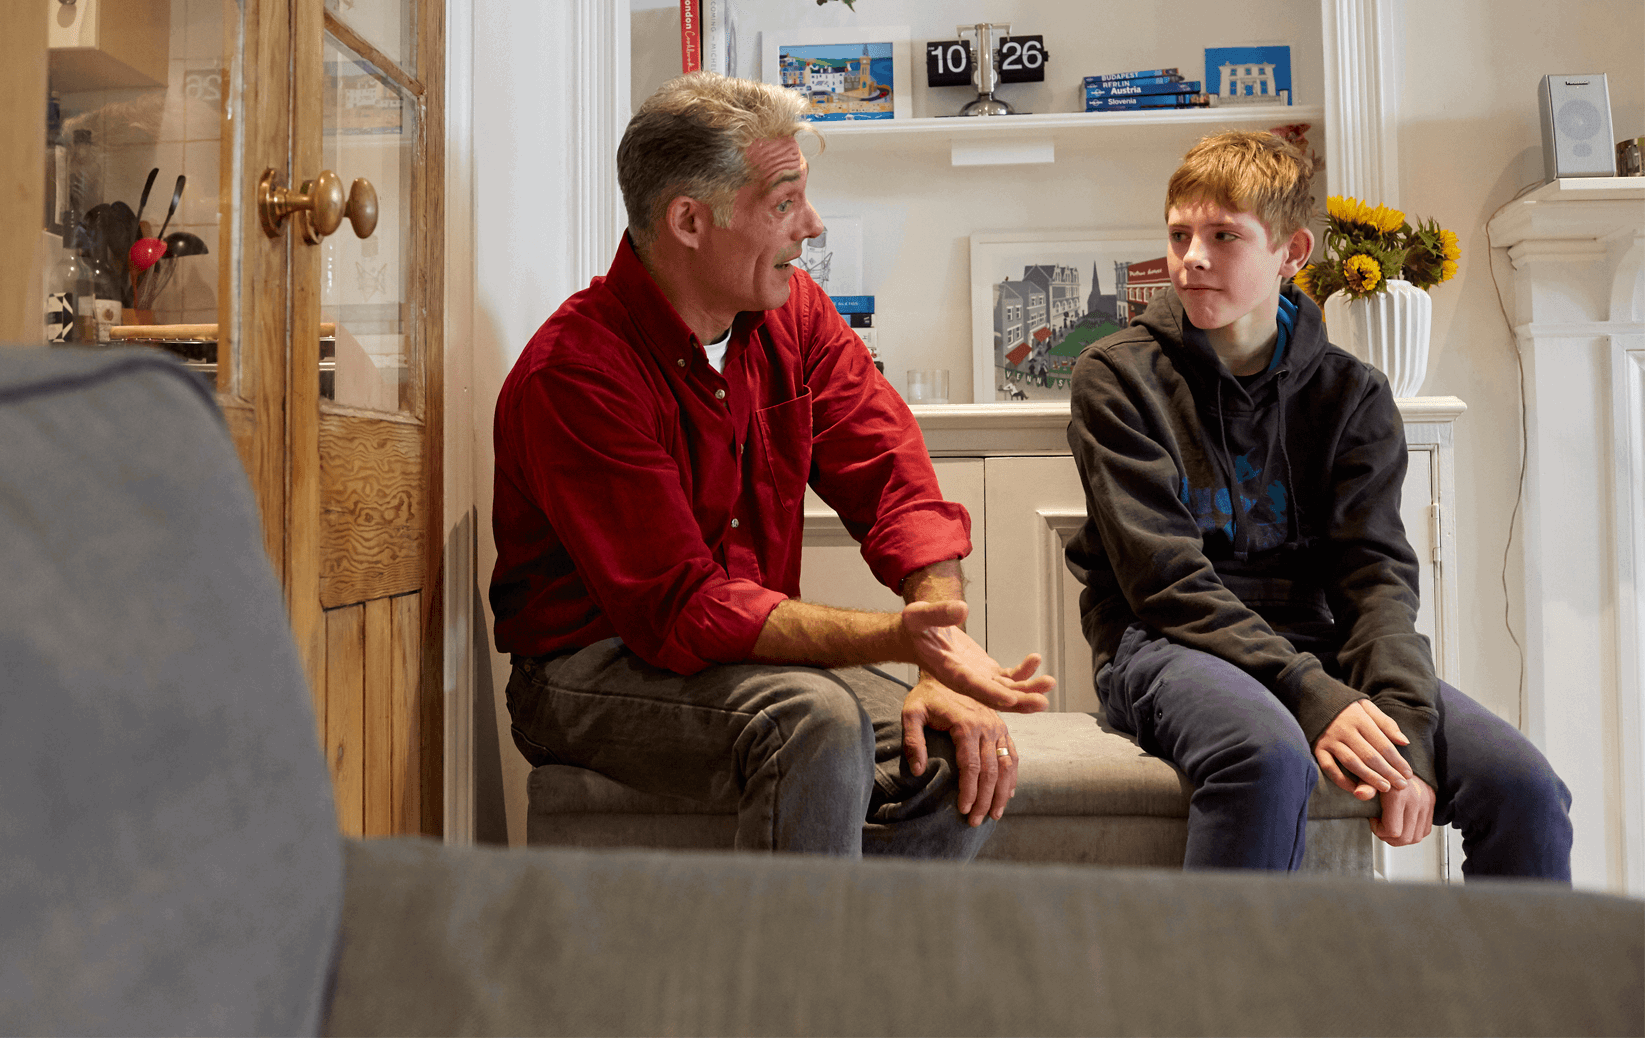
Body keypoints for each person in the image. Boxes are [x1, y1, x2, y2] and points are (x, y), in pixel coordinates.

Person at [490, 72, 1054, 858]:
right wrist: (901, 639)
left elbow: (894, 476)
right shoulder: (576, 374)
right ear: (688, 220)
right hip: (587, 666)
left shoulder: (796, 316)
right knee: (814, 722)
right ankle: (793, 976)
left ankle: (841, 966)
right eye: (784, 201)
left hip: (730, 649)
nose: (812, 226)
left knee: (958, 749)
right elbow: (683, 610)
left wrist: (940, 654)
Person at [1065, 129, 1572, 876]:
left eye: (1223, 236)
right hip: (1162, 640)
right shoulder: (1117, 375)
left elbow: (1374, 579)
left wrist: (1406, 722)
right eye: (1179, 234)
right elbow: (1164, 582)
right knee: (1264, 755)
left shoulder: (1352, 393)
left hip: (1320, 638)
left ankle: (1504, 996)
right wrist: (1313, 694)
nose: (1191, 257)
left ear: (1293, 253)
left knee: (1525, 788)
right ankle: (1228, 996)